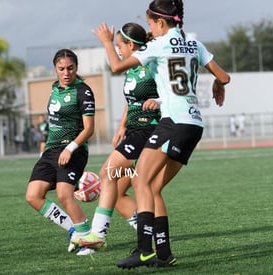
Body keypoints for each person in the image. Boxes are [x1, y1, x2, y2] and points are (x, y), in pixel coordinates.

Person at [81, 0, 230, 269]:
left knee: (140, 182)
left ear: (161, 22)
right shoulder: (194, 45)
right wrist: (218, 84)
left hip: (172, 123)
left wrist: (106, 43)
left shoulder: (159, 46)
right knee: (153, 186)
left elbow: (116, 67)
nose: (151, 29)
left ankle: (143, 249)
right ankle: (163, 253)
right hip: (194, 125)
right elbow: (225, 76)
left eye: (151, 23)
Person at [72, 22, 161, 254]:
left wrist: (106, 43)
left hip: (148, 132)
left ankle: (97, 236)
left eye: (120, 46)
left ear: (131, 45)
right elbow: (132, 101)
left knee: (107, 172)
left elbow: (167, 93)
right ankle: (147, 238)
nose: (118, 50)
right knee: (118, 192)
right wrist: (122, 126)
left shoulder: (151, 63)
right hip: (133, 132)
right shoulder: (133, 69)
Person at [25, 49, 96, 254]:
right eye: (61, 69)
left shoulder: (83, 91)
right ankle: (74, 230)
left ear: (76, 68)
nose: (66, 73)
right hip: (50, 151)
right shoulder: (55, 88)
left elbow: (89, 128)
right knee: (33, 196)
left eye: (70, 68)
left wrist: (70, 148)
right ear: (55, 69)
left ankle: (88, 241)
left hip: (73, 150)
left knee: (65, 195)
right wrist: (44, 152)